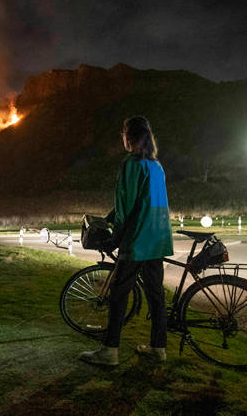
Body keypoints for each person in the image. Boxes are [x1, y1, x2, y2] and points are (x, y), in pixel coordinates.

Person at [79, 116, 174, 366]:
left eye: (122, 133)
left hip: (138, 239)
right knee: (156, 295)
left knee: (119, 293)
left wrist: (114, 237)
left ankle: (110, 350)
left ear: (128, 137)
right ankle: (158, 348)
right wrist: (111, 216)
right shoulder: (156, 166)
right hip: (158, 238)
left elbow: (127, 207)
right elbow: (140, 200)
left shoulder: (131, 164)